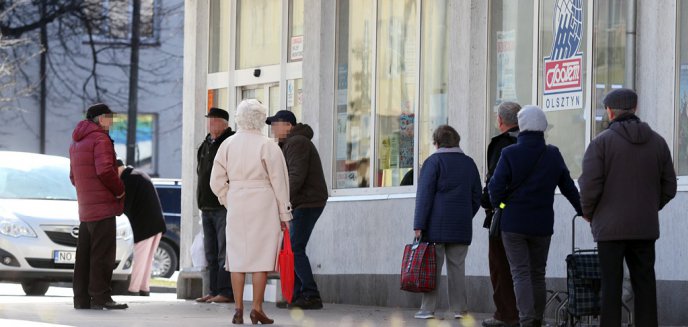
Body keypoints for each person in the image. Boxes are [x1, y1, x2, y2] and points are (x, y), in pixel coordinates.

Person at [579, 88, 676, 327]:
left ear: (610, 112)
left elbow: (589, 185)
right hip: (644, 228)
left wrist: (589, 213)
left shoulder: (600, 143)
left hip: (610, 230)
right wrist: (650, 206)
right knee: (644, 283)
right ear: (635, 109)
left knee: (611, 285)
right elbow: (670, 187)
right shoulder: (658, 142)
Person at [488, 105, 582, 327]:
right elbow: (569, 187)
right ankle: (537, 319)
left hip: (513, 224)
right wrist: (582, 210)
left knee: (519, 273)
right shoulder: (553, 154)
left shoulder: (509, 153)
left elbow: (495, 189)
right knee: (538, 273)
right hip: (542, 224)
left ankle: (527, 320)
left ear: (521, 127)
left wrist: (501, 205)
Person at [210, 99, 292, 325]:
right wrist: (284, 214)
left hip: (237, 200)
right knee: (260, 258)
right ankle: (256, 308)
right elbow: (280, 182)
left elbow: (215, 180)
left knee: (236, 258)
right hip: (263, 202)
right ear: (260, 119)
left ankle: (238, 309)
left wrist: (229, 198)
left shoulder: (227, 144)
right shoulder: (268, 145)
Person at [412, 125, 481, 320]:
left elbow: (424, 196)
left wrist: (419, 225)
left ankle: (427, 309)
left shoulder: (433, 162)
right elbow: (477, 195)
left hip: (435, 226)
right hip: (461, 226)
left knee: (431, 267)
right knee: (457, 268)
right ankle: (459, 309)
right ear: (457, 141)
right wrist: (467, 214)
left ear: (436, 142)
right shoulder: (469, 163)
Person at [266, 110, 328, 310]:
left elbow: (295, 177)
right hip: (302, 202)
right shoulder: (290, 144)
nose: (273, 129)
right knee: (292, 247)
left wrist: (282, 202)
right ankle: (297, 295)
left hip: (307, 202)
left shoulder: (297, 143)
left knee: (295, 248)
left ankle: (311, 295)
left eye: (277, 124)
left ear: (289, 126)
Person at [69, 103, 128, 310]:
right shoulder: (100, 139)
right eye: (109, 118)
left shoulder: (77, 142)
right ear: (100, 119)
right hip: (102, 207)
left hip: (85, 208)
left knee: (84, 255)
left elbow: (73, 177)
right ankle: (102, 297)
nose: (111, 122)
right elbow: (105, 170)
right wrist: (120, 190)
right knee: (102, 255)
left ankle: (81, 299)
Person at [480, 102, 521, 327]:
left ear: (500, 121)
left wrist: (488, 202)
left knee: (501, 267)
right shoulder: (536, 143)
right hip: (533, 216)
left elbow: (495, 180)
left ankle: (506, 315)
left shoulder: (502, 144)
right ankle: (528, 314)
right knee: (528, 269)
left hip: (504, 214)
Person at [195, 107, 235, 303]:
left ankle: (226, 292)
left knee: (223, 252)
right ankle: (213, 290)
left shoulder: (230, 142)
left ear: (224, 123)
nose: (210, 123)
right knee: (210, 252)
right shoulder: (205, 144)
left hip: (222, 206)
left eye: (214, 120)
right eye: (209, 120)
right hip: (206, 206)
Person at [116, 159, 167, 296]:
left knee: (139, 259)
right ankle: (144, 288)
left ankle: (133, 289)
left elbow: (126, 208)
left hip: (145, 226)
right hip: (156, 224)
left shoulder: (129, 179)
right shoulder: (138, 174)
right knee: (147, 259)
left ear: (117, 169)